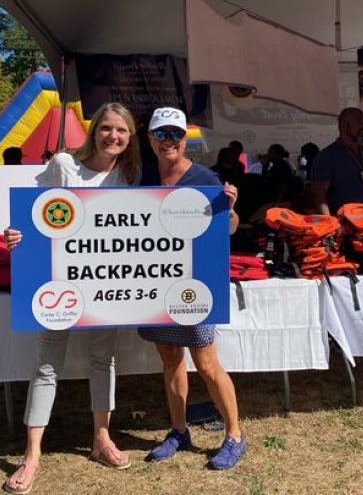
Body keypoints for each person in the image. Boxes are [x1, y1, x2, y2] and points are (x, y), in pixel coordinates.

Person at [2, 103, 141, 495]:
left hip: (104, 284)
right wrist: (17, 235)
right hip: (57, 281)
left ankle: (102, 439)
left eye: (122, 131)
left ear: (129, 139)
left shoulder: (128, 177)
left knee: (103, 360)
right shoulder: (64, 165)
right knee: (47, 364)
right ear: (94, 130)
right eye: (107, 128)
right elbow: (33, 213)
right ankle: (32, 455)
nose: (113, 136)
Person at [139, 107, 246, 471]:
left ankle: (234, 435)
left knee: (206, 362)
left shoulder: (204, 177)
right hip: (156, 282)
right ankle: (179, 430)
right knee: (169, 357)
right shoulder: (142, 177)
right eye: (161, 134)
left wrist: (230, 210)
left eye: (176, 135)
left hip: (194, 285)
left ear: (184, 140)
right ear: (150, 139)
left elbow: (229, 229)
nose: (169, 141)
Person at [310, 107, 363, 215]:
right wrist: (330, 223)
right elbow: (319, 195)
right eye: (359, 122)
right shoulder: (327, 157)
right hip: (344, 223)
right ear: (344, 125)